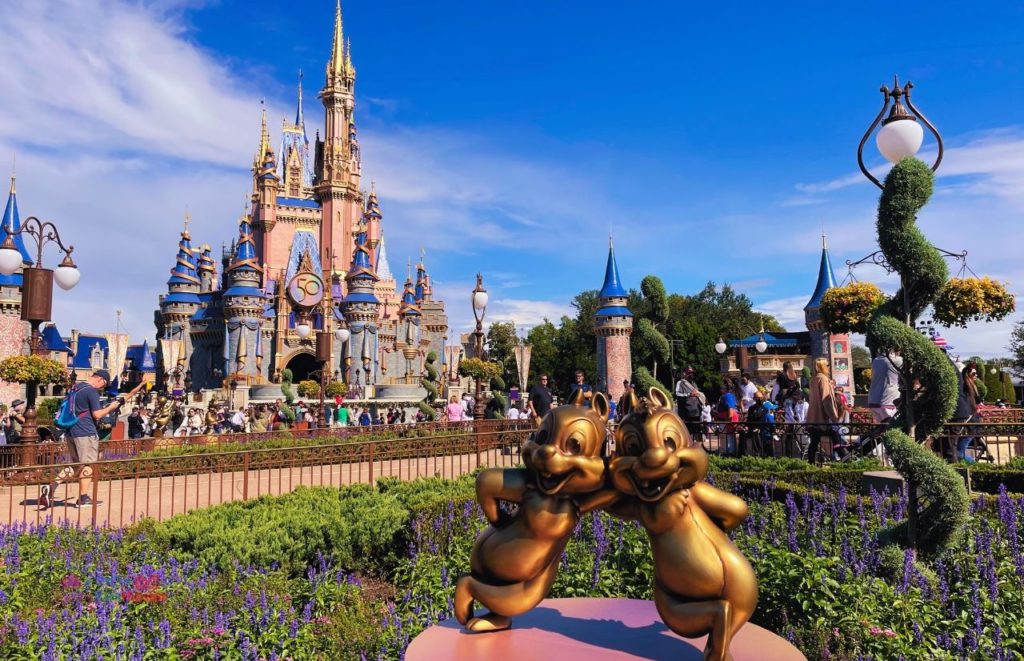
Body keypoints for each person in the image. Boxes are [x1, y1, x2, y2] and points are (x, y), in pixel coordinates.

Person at [40, 369, 143, 509]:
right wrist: (110, 408)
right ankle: (83, 498)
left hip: (71, 431)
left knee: (76, 466)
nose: (102, 388)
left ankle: (50, 488)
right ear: (100, 379)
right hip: (85, 433)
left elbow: (125, 397)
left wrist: (139, 386)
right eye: (104, 385)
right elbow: (97, 415)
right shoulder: (91, 391)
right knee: (88, 464)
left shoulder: (75, 388)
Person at [806, 358, 841, 465]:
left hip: (813, 418)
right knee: (836, 437)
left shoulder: (814, 379)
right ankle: (844, 458)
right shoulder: (823, 380)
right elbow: (827, 400)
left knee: (814, 441)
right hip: (822, 417)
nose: (829, 367)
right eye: (828, 365)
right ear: (823, 366)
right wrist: (834, 417)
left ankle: (810, 463)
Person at [952, 364, 982, 463]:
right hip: (971, 424)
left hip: (971, 425)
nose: (976, 375)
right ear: (967, 374)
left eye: (976, 373)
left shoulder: (970, 388)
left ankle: (974, 466)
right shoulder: (966, 387)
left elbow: (976, 401)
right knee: (958, 451)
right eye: (974, 373)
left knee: (960, 452)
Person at [867, 352, 903, 424]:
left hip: (873, 400)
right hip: (889, 400)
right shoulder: (898, 360)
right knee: (890, 426)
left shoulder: (876, 360)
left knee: (882, 427)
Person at [674, 368, 705, 439]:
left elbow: (697, 393)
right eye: (689, 373)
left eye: (692, 373)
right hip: (686, 413)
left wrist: (698, 395)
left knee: (697, 432)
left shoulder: (694, 383)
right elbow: (677, 394)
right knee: (687, 433)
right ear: (684, 374)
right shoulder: (680, 383)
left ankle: (697, 448)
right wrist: (689, 394)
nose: (691, 375)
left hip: (696, 412)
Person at [714, 383, 739, 455]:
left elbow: (730, 408)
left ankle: (729, 452)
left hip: (728, 419)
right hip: (726, 418)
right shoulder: (727, 396)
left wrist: (728, 419)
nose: (720, 390)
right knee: (726, 436)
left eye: (721, 389)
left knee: (728, 436)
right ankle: (727, 450)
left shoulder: (727, 396)